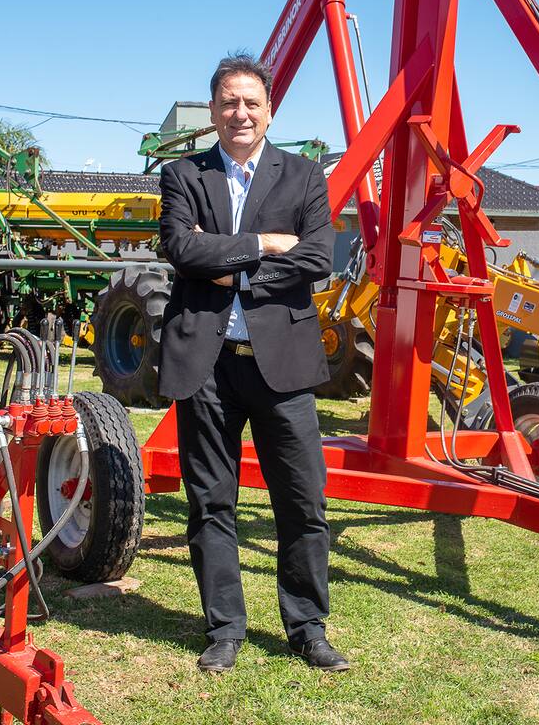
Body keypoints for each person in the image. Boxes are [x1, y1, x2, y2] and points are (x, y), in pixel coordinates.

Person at [157, 52, 349, 673]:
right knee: (211, 502)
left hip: (281, 365)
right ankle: (225, 630)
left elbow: (318, 257)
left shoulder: (303, 176)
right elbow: (181, 250)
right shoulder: (184, 174)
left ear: (270, 112)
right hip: (207, 365)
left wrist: (231, 274)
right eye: (229, 103)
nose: (240, 113)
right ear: (212, 112)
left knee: (304, 501)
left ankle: (307, 626)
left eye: (252, 103)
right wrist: (263, 246)